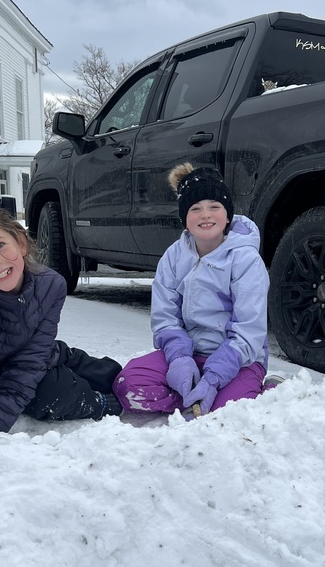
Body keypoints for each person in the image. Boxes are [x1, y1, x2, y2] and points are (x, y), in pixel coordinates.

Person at [0, 205, 122, 431]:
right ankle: (101, 402)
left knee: (107, 373)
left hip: (42, 354)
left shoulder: (51, 284)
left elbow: (34, 356)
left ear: (21, 243)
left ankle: (143, 382)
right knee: (56, 390)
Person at [113, 162, 270, 417]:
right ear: (185, 218)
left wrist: (214, 377)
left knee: (229, 413)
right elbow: (165, 318)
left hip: (238, 360)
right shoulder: (173, 257)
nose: (205, 214)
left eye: (214, 207)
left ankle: (263, 392)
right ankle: (193, 398)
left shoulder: (246, 260)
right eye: (195, 208)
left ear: (227, 215)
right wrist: (179, 359)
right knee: (129, 387)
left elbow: (248, 331)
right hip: (188, 355)